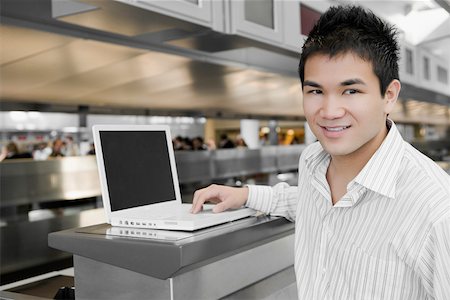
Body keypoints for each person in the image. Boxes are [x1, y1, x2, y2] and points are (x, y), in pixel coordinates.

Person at [191, 5, 450, 299]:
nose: (329, 111)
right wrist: (247, 195)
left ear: (388, 95)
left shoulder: (436, 210)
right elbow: (308, 200)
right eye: (315, 91)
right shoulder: (313, 162)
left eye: (350, 91)